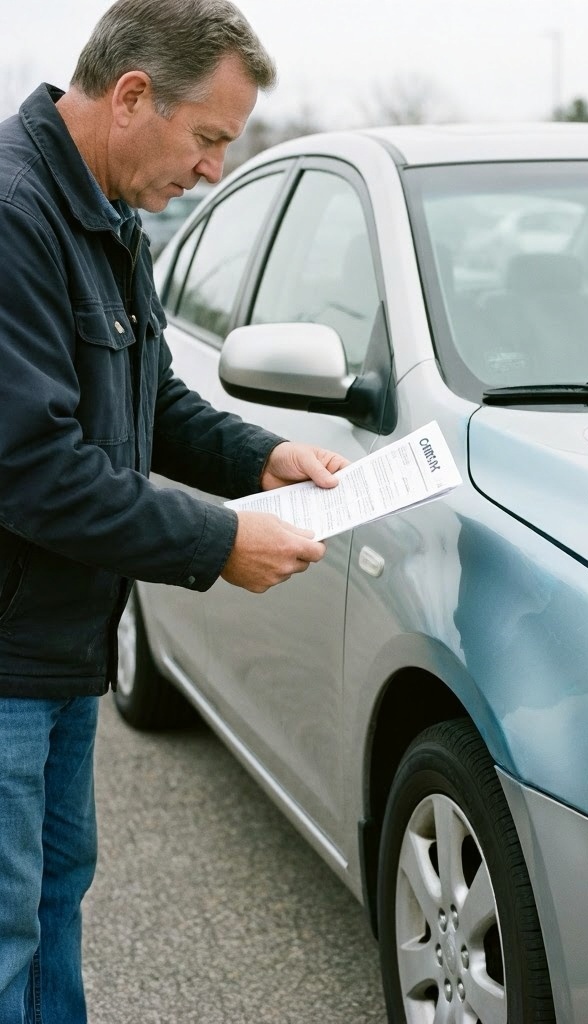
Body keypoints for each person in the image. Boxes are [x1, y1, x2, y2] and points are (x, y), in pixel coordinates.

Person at [0, 2, 347, 1020]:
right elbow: (32, 468)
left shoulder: (108, 217)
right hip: (6, 660)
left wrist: (263, 458)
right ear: (133, 96)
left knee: (53, 898)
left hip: (57, 645)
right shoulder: (15, 217)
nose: (207, 173)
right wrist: (219, 541)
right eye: (207, 140)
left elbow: (148, 398)